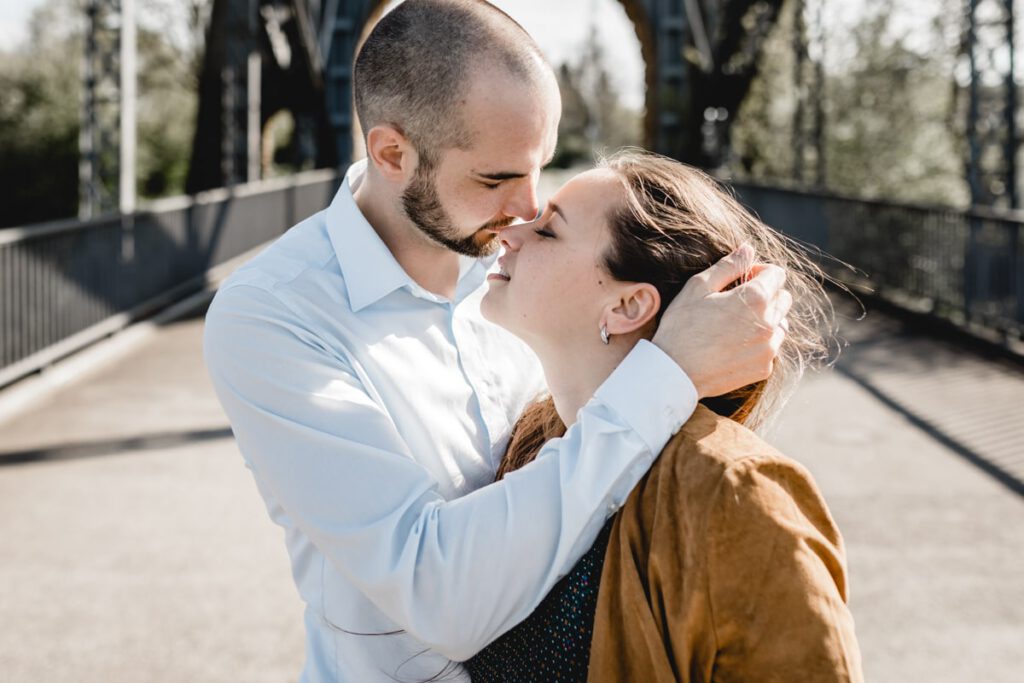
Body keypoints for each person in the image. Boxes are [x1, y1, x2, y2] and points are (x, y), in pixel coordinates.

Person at [203, 1, 792, 681]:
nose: (528, 209)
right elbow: (438, 594)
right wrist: (665, 374)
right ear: (392, 153)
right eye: (496, 178)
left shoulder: (528, 281)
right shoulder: (275, 316)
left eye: (540, 167)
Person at [464, 150, 862, 681]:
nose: (510, 234)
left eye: (550, 231)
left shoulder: (737, 495)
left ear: (627, 306)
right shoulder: (532, 444)